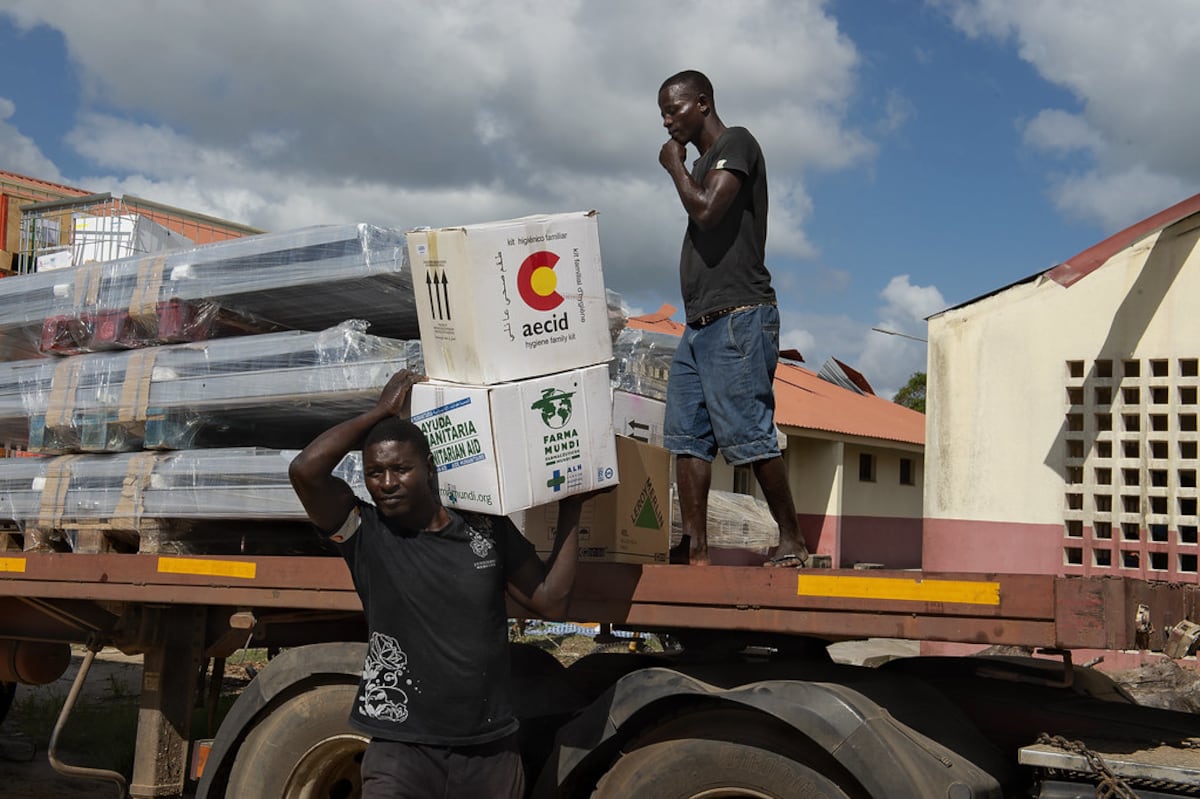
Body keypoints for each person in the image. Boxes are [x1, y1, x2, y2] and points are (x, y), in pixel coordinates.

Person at [289, 369, 593, 798]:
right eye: (375, 472)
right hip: (401, 750)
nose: (387, 483)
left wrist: (571, 510)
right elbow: (305, 471)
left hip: (490, 751)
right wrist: (381, 412)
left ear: (429, 469)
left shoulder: (486, 529)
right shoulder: (366, 533)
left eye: (400, 469)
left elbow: (550, 602)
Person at [657, 69, 809, 568]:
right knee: (687, 438)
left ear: (701, 103)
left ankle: (792, 540)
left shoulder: (735, 143)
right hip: (699, 324)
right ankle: (696, 548)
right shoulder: (702, 161)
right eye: (662, 113)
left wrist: (675, 169)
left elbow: (707, 211)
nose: (667, 122)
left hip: (740, 316)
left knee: (748, 434)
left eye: (673, 110)